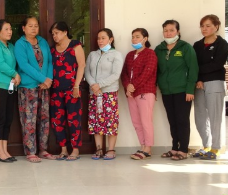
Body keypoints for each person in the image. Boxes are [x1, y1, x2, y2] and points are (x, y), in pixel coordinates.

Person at [155, 20, 198, 161]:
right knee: (172, 120)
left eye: (171, 30)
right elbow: (156, 70)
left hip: (182, 90)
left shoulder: (185, 48)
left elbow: (193, 69)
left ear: (178, 32)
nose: (168, 33)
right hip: (166, 91)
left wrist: (190, 89)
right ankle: (175, 148)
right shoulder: (159, 49)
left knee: (182, 120)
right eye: (165, 30)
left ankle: (183, 150)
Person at [14, 16, 55, 163]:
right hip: (28, 87)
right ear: (23, 28)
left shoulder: (42, 41)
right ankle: (31, 151)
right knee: (29, 119)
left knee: (44, 119)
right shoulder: (20, 44)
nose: (33, 28)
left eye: (36, 26)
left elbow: (49, 61)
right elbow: (24, 65)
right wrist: (42, 78)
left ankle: (43, 149)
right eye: (30, 26)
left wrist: (48, 80)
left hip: (44, 87)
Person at [192, 15, 228, 159]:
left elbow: (217, 64)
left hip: (215, 82)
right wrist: (198, 79)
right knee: (200, 117)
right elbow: (193, 65)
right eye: (202, 26)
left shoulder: (222, 44)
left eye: (208, 26)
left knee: (215, 117)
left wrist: (199, 72)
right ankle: (205, 145)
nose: (204, 29)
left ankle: (215, 148)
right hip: (199, 84)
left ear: (216, 26)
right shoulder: (197, 45)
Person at [49, 21, 85, 161]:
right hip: (56, 90)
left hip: (72, 90)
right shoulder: (53, 50)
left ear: (65, 32)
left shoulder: (75, 46)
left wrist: (76, 86)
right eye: (53, 34)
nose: (55, 36)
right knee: (57, 120)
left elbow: (81, 65)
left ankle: (75, 150)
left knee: (73, 119)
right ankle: (63, 149)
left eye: (57, 33)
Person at [85, 28, 123, 160]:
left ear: (110, 40)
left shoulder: (116, 55)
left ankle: (111, 149)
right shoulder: (92, 55)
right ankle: (99, 149)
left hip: (109, 93)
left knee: (110, 121)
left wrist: (99, 85)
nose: (100, 41)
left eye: (103, 38)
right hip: (94, 94)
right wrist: (93, 86)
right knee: (96, 121)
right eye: (98, 38)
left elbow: (116, 75)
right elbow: (87, 72)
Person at [121, 28, 157, 160]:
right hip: (131, 93)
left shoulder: (150, 54)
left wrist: (133, 85)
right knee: (136, 121)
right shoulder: (130, 55)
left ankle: (148, 148)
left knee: (146, 120)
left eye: (137, 37)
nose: (134, 39)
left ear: (145, 38)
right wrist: (127, 86)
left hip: (145, 91)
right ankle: (142, 146)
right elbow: (124, 73)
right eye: (133, 37)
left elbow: (147, 72)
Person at [0, 19, 20, 163]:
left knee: (8, 119)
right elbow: (0, 64)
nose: (9, 31)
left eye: (11, 29)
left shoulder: (11, 46)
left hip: (10, 86)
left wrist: (15, 76)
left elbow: (15, 64)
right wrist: (14, 74)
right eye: (6, 29)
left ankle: (5, 150)